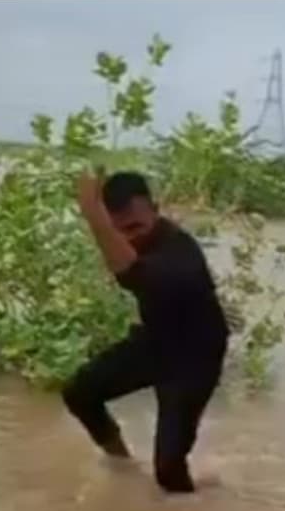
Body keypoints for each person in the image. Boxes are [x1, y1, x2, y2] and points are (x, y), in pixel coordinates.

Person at [63, 170, 229, 494]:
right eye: (120, 231)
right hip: (156, 342)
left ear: (156, 210)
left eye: (136, 227)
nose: (129, 238)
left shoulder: (181, 251)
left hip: (196, 356)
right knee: (79, 393)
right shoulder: (127, 241)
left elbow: (133, 274)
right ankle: (121, 465)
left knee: (168, 470)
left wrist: (94, 216)